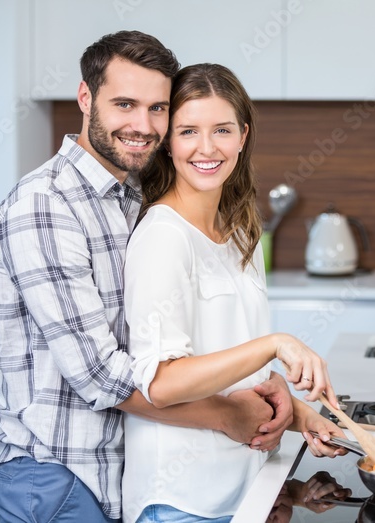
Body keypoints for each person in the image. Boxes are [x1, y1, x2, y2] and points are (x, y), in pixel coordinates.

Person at [0, 31, 323, 523]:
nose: (142, 125)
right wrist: (233, 413)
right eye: (124, 104)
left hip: (117, 465)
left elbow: (166, 340)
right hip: (57, 469)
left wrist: (274, 394)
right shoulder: (45, 206)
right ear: (86, 97)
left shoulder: (131, 192)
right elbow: (100, 375)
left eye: (157, 108)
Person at [121, 62, 346, 523]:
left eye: (222, 130)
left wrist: (302, 416)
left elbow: (231, 362)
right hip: (182, 502)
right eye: (188, 131)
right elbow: (161, 383)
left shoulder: (242, 229)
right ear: (167, 141)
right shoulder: (164, 236)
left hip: (245, 487)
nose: (207, 148)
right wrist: (275, 343)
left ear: (243, 136)